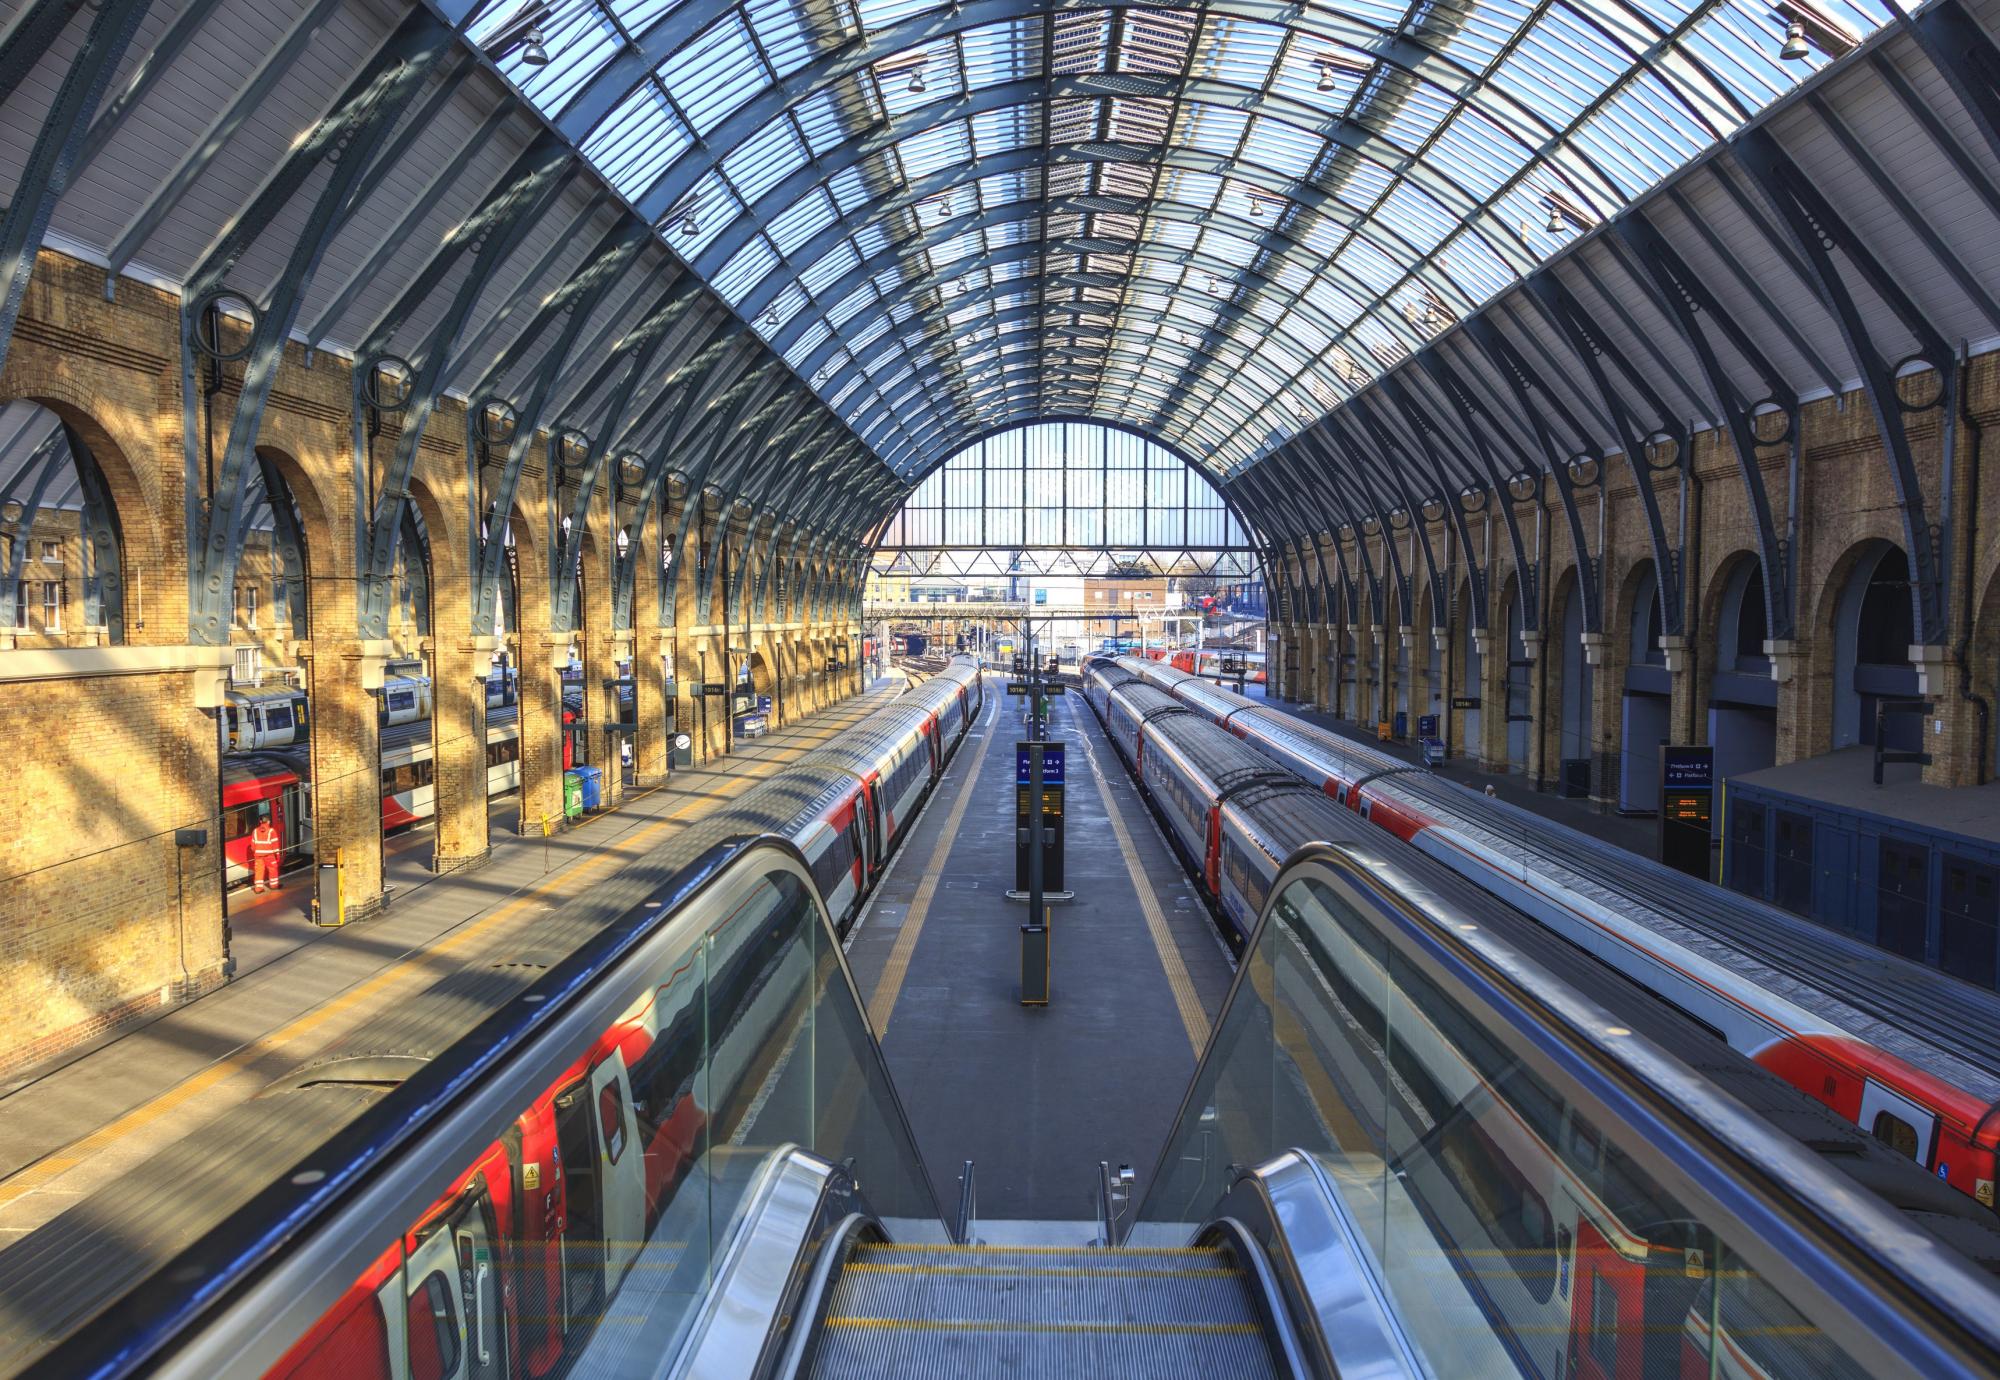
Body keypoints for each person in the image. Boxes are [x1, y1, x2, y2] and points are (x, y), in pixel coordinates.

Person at [250, 813, 282, 893]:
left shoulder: (255, 831)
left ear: (260, 821)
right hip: (269, 855)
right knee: (272, 869)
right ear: (269, 821)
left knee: (259, 871)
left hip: (258, 855)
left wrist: (256, 851)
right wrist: (277, 854)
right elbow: (275, 844)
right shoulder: (271, 831)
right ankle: (274, 886)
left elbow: (253, 846)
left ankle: (258, 889)